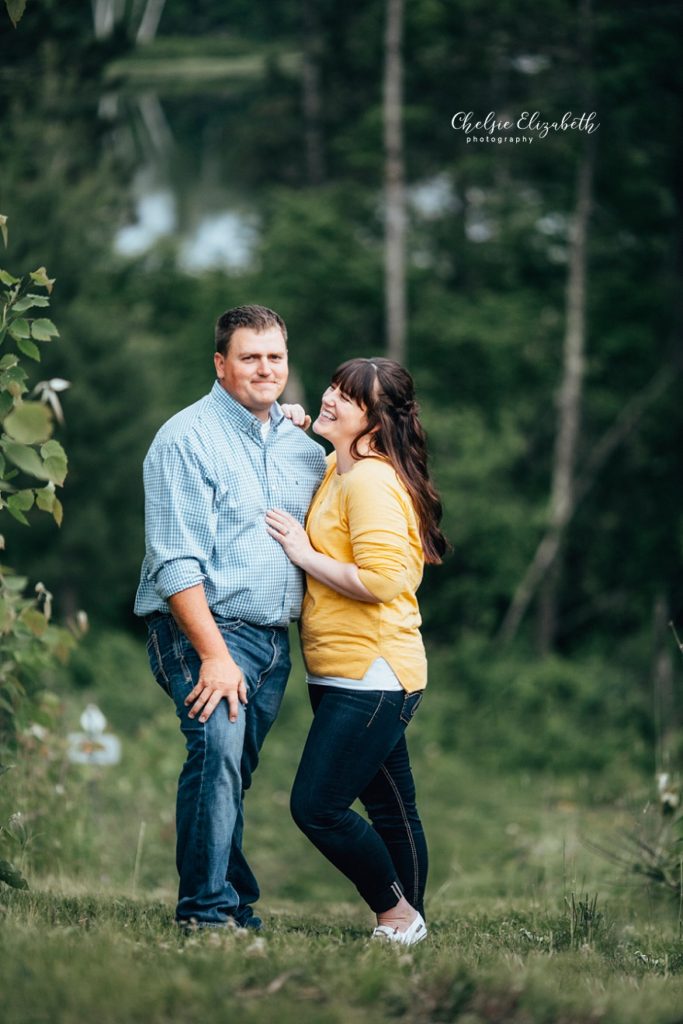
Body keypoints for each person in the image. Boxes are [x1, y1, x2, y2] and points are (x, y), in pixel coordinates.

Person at [134, 304, 326, 930]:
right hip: (200, 629)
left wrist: (313, 429)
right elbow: (175, 562)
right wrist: (215, 655)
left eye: (275, 357)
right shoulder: (185, 439)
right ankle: (206, 915)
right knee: (217, 753)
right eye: (250, 357)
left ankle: (233, 901)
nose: (264, 369)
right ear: (221, 364)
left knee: (231, 774)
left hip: (272, 643)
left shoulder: (302, 450)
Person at [266, 357, 447, 945]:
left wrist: (302, 552)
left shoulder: (371, 480)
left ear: (374, 419)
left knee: (317, 806)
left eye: (348, 397)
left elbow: (384, 580)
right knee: (393, 808)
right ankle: (411, 923)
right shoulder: (339, 466)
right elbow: (308, 461)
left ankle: (396, 915)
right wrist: (289, 423)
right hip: (346, 671)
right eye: (333, 388)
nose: (329, 399)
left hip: (373, 673)